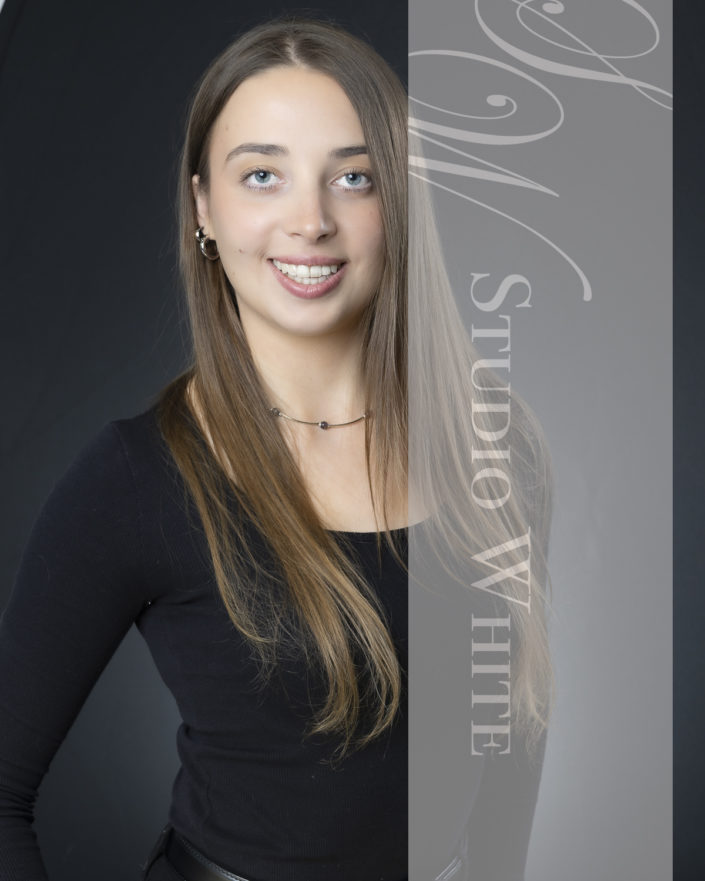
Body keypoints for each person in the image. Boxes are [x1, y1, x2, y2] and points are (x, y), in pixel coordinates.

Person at [0, 16, 552, 881]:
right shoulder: (138, 479)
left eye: (354, 177)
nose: (310, 221)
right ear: (203, 208)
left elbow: (512, 734)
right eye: (263, 174)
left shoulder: (496, 441)